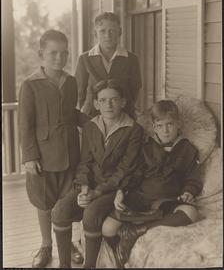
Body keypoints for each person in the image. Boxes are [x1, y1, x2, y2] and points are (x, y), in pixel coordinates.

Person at [51, 79, 144, 268]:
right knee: (60, 211)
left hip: (116, 187)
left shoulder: (133, 130)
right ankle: (63, 265)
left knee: (91, 214)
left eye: (114, 99)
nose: (108, 105)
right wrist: (84, 189)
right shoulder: (90, 127)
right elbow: (85, 163)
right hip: (90, 184)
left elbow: (124, 170)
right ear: (95, 103)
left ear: (123, 102)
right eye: (103, 100)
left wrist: (97, 192)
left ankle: (90, 266)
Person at [102, 99, 203, 267]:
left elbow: (192, 178)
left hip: (169, 200)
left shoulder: (188, 149)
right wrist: (122, 191)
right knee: (108, 228)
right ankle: (121, 251)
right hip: (142, 197)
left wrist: (189, 192)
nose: (165, 130)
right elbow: (134, 175)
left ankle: (139, 230)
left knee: (192, 213)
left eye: (170, 124)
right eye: (160, 125)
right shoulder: (146, 147)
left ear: (178, 124)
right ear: (154, 127)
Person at [18, 29, 88, 268]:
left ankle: (67, 244)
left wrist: (96, 123)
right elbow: (25, 125)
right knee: (44, 202)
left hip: (70, 153)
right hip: (43, 157)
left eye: (64, 53)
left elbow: (72, 114)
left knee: (66, 203)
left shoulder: (70, 82)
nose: (59, 58)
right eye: (53, 53)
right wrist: (29, 157)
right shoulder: (30, 85)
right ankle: (46, 245)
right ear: (41, 54)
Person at [75, 12, 142, 118]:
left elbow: (134, 89)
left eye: (112, 31)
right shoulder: (84, 59)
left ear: (120, 32)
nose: (107, 35)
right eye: (102, 31)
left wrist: (124, 109)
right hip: (93, 116)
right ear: (95, 33)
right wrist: (87, 109)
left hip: (122, 116)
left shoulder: (131, 59)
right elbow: (80, 92)